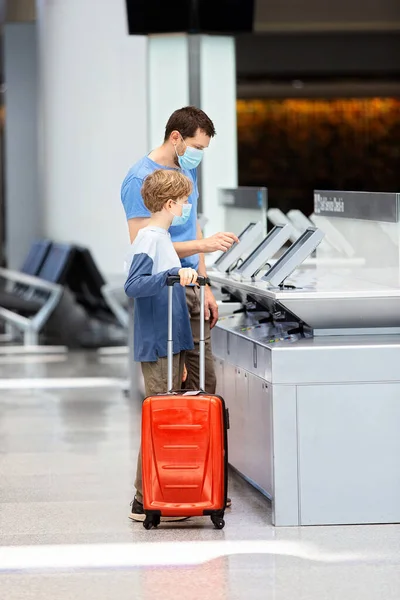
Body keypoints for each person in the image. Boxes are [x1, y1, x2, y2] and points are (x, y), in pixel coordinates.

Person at [121, 106, 238, 397]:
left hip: (192, 282)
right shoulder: (140, 179)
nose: (199, 154)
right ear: (176, 137)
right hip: (167, 286)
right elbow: (145, 245)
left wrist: (205, 283)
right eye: (197, 146)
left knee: (203, 384)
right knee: (169, 389)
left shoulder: (187, 169)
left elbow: (194, 223)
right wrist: (203, 245)